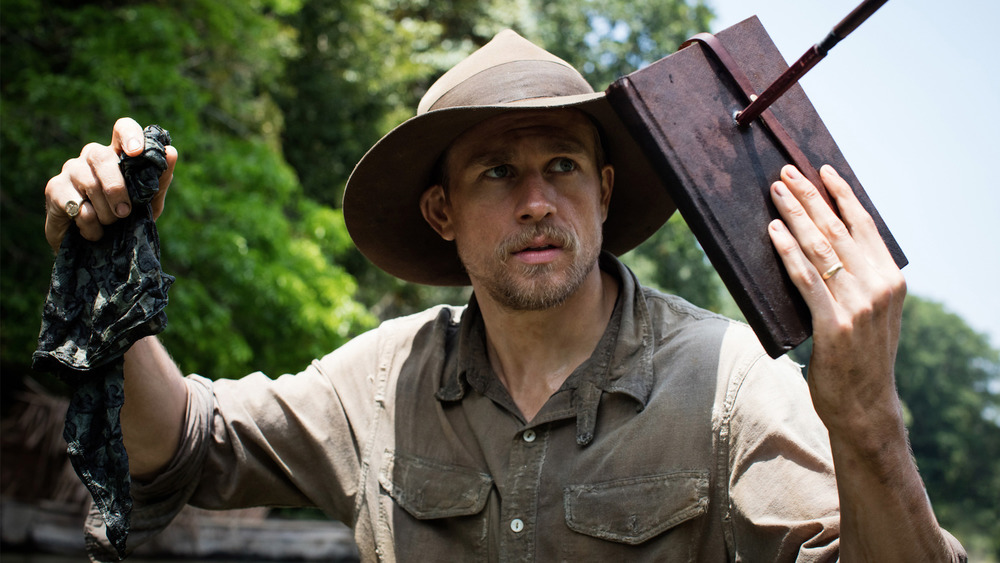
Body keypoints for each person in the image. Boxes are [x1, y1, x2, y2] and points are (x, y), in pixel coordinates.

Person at [43, 30, 966, 562]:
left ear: (604, 192)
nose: (536, 200)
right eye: (496, 172)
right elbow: (183, 445)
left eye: (564, 164)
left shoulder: (726, 380)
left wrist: (867, 417)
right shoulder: (382, 381)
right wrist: (111, 273)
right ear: (442, 211)